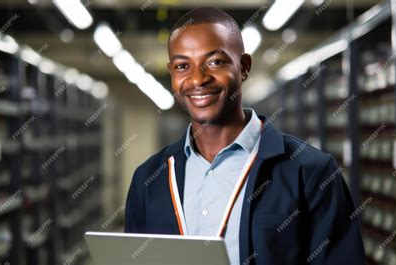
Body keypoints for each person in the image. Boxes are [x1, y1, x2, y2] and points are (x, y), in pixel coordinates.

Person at [125, 7, 365, 265]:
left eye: (215, 62)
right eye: (183, 66)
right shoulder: (149, 179)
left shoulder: (310, 172)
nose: (197, 79)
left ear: (244, 67)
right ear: (172, 73)